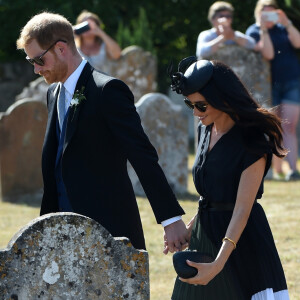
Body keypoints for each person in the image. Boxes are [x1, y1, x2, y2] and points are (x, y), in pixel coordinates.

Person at [16, 12, 189, 252]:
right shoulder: (53, 94)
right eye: (30, 62)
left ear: (61, 48)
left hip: (107, 228)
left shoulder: (107, 90)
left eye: (39, 60)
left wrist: (170, 218)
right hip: (59, 231)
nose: (35, 69)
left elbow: (142, 155)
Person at [169, 56, 289, 299]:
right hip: (205, 237)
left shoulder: (253, 141)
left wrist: (218, 264)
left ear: (222, 98)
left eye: (201, 106)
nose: (195, 113)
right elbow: (212, 194)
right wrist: (190, 229)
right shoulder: (207, 128)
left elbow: (241, 211)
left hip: (240, 246)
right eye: (189, 104)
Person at [246, 0, 300, 181]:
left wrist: (287, 23)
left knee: (290, 126)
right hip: (270, 86)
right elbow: (268, 54)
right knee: (274, 128)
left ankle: (293, 169)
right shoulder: (253, 31)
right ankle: (277, 170)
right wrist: (263, 29)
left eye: (272, 13)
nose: (269, 18)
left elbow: (298, 43)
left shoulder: (283, 28)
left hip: (292, 81)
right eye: (265, 14)